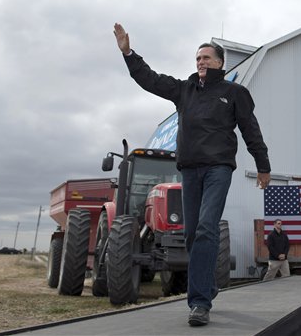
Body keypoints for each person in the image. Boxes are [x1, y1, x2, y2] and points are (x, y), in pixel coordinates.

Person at [113, 23, 271, 326]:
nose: (201, 62)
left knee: (206, 229)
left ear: (220, 63)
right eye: (198, 58)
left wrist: (263, 166)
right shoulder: (183, 90)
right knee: (190, 234)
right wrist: (128, 53)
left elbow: (251, 130)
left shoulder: (235, 93)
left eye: (206, 58)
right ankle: (208, 286)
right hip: (189, 170)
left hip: (218, 168)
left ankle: (199, 303)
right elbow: (150, 79)